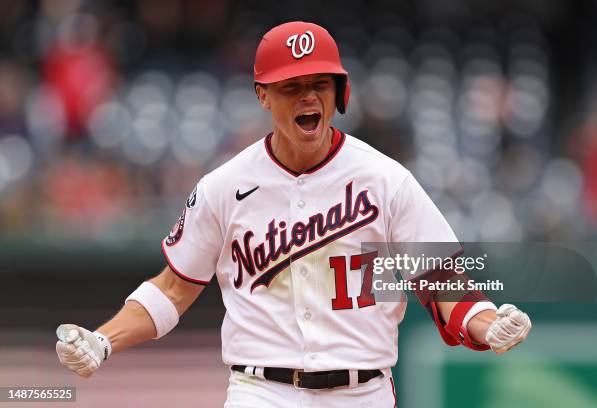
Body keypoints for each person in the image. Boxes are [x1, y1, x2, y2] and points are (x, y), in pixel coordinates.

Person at [56, 21, 531, 407]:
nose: (308, 97)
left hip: (362, 393)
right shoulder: (225, 186)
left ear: (338, 92)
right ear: (263, 96)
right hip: (261, 391)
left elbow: (439, 280)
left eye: (320, 84)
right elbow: (174, 289)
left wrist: (487, 322)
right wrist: (103, 340)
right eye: (292, 87)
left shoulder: (386, 181)